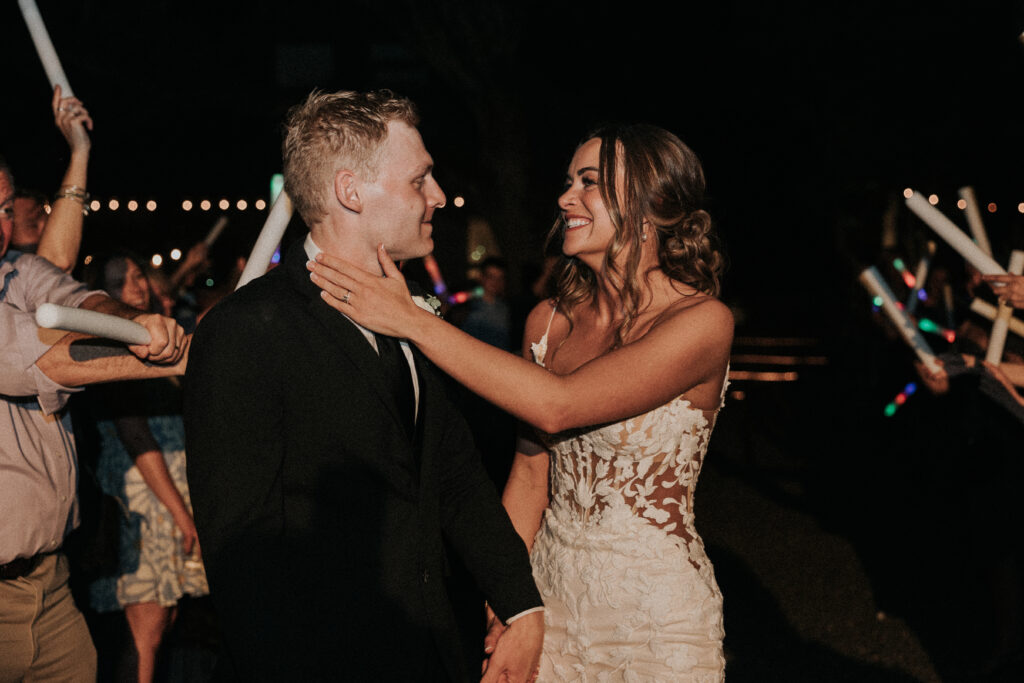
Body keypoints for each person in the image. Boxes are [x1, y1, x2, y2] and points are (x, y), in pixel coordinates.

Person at [309, 123, 734, 680]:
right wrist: (508, 599)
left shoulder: (700, 323)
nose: (565, 197)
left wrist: (411, 321)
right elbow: (531, 475)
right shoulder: (548, 324)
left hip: (653, 615)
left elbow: (557, 406)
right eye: (567, 180)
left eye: (590, 182)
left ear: (653, 204)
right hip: (550, 596)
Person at [182, 89, 543, 682]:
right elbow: (243, 554)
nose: (437, 197)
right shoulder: (246, 329)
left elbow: (452, 475)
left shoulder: (415, 317)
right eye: (418, 181)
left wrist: (519, 601)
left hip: (431, 648)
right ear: (351, 191)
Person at [1, 160, 186, 682]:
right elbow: (49, 357)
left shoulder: (20, 271)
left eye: (3, 209)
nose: (1, 226)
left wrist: (135, 322)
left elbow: (80, 299)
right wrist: (177, 355)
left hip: (50, 584)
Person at [80, 251, 210, 683]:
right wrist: (181, 514)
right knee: (145, 633)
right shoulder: (117, 348)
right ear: (105, 294)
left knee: (162, 624)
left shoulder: (152, 339)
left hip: (169, 489)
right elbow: (135, 435)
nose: (138, 286)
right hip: (146, 493)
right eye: (125, 280)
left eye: (139, 276)